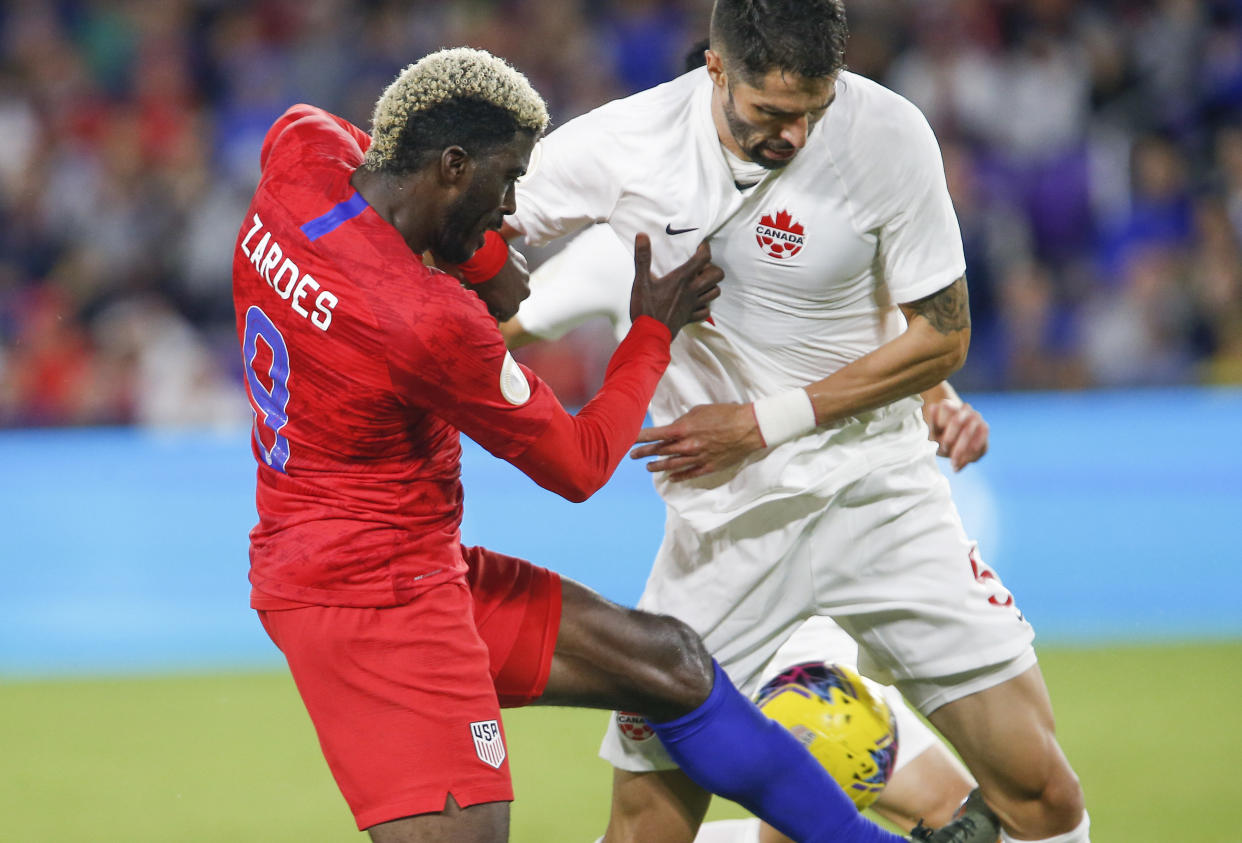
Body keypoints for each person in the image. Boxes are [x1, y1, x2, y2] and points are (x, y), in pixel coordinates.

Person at [230, 47, 989, 843]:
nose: (511, 209)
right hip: (371, 608)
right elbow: (581, 462)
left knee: (673, 666)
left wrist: (485, 260)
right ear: (454, 166)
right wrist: (653, 326)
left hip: (394, 560)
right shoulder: (422, 322)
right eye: (506, 179)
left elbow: (358, 155)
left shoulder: (300, 154)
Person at [498, 3, 1091, 842]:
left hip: (881, 497)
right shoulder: (623, 146)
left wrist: (762, 422)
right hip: (724, 529)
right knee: (645, 830)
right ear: (713, 69)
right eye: (770, 114)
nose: (795, 135)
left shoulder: (890, 136)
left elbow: (945, 333)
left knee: (1044, 798)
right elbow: (474, 233)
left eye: (812, 109)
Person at [502, 223, 982, 840]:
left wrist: (939, 397)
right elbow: (500, 327)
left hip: (818, 587)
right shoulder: (619, 247)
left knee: (952, 808)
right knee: (649, 831)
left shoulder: (801, 219)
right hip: (714, 589)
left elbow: (869, 332)